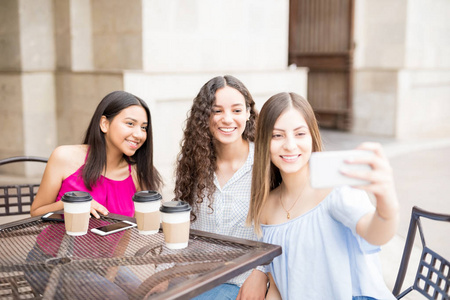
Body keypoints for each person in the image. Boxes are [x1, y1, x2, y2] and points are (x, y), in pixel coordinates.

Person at [247, 92, 399, 299]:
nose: (290, 145)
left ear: (312, 137)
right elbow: (277, 286)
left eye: (300, 134)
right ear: (264, 142)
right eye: (277, 135)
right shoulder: (265, 207)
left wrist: (386, 203)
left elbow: (375, 233)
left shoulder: (336, 191)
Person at [174, 75, 268, 299]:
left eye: (236, 110)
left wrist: (261, 272)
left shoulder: (266, 163)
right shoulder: (194, 162)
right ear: (204, 116)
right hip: (198, 280)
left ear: (248, 113)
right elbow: (182, 228)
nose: (227, 119)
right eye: (217, 111)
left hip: (244, 282)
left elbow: (281, 228)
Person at [30, 90, 163, 218]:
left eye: (143, 127)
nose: (139, 134)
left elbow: (132, 229)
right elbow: (36, 212)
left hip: (111, 242)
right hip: (61, 241)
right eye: (130, 123)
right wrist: (70, 204)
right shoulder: (64, 157)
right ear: (104, 124)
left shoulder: (137, 172)